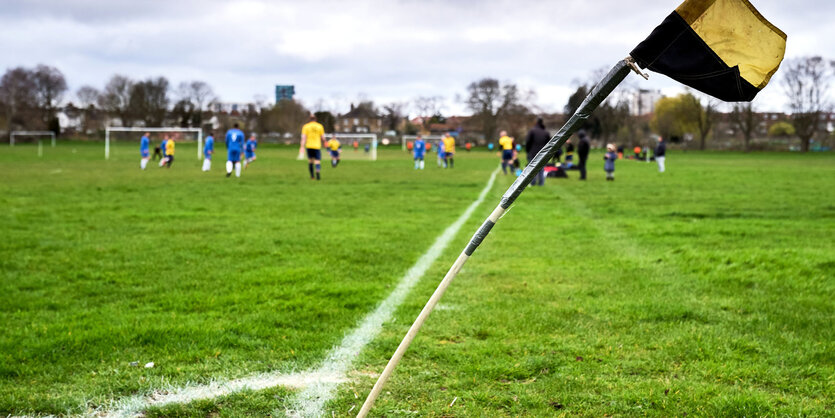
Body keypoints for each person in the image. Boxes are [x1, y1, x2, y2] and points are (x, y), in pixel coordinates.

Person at [525, 117, 550, 186]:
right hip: (543, 153)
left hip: (533, 152)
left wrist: (527, 150)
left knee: (532, 168)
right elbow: (549, 143)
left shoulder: (532, 131)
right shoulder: (546, 132)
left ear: (536, 122)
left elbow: (528, 142)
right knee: (541, 168)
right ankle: (541, 183)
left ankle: (533, 183)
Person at [300, 114, 325, 180]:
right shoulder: (320, 126)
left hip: (309, 146)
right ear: (315, 119)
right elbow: (323, 137)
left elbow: (303, 138)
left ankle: (312, 176)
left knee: (310, 161)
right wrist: (325, 142)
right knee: (317, 161)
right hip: (317, 146)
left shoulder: (306, 126)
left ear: (310, 119)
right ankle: (317, 171)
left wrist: (302, 146)